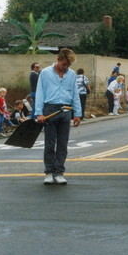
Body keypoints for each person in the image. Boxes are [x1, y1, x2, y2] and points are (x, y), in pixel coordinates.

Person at [35, 48, 81, 185]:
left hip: (66, 110)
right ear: (58, 60)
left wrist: (77, 114)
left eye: (68, 65)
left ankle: (59, 172)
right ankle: (49, 172)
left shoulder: (72, 75)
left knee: (63, 144)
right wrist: (39, 112)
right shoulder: (45, 73)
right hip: (50, 109)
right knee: (49, 143)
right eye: (64, 64)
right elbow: (39, 92)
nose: (66, 67)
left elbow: (75, 94)